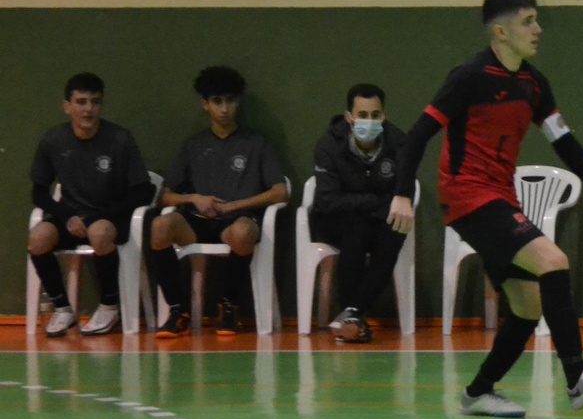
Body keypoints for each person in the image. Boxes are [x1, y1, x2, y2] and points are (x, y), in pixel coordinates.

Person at [387, 0, 583, 418]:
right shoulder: (470, 75)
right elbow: (418, 135)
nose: (538, 30)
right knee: (553, 261)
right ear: (501, 32)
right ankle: (577, 378)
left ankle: (478, 392)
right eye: (527, 21)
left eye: (537, 20)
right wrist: (402, 193)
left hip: (500, 196)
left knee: (527, 305)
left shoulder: (534, 83)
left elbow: (564, 141)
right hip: (467, 195)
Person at [150, 66, 288, 338]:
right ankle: (178, 311)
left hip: (235, 220)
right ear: (205, 104)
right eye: (217, 101)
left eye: (230, 100)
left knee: (244, 232)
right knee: (159, 227)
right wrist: (193, 198)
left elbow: (281, 192)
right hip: (197, 221)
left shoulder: (257, 142)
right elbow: (164, 196)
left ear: (238, 101)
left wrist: (233, 206)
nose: (224, 109)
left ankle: (229, 306)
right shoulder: (193, 145)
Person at [28, 72, 155, 337]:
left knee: (99, 232)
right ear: (67, 106)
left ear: (102, 106)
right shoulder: (53, 140)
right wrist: (65, 215)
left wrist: (101, 217)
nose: (88, 109)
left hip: (110, 217)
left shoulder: (120, 139)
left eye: (95, 102)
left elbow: (145, 191)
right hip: (71, 218)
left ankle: (109, 305)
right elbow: (39, 193)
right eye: (81, 102)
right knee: (38, 237)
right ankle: (62, 308)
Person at [311, 83, 410, 343]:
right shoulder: (328, 145)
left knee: (396, 231)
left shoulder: (398, 143)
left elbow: (402, 193)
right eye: (362, 115)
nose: (369, 121)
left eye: (375, 115)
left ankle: (351, 314)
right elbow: (328, 201)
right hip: (334, 221)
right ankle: (352, 312)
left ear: (384, 116)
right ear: (349, 117)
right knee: (355, 230)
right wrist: (375, 200)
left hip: (378, 220)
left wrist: (376, 204)